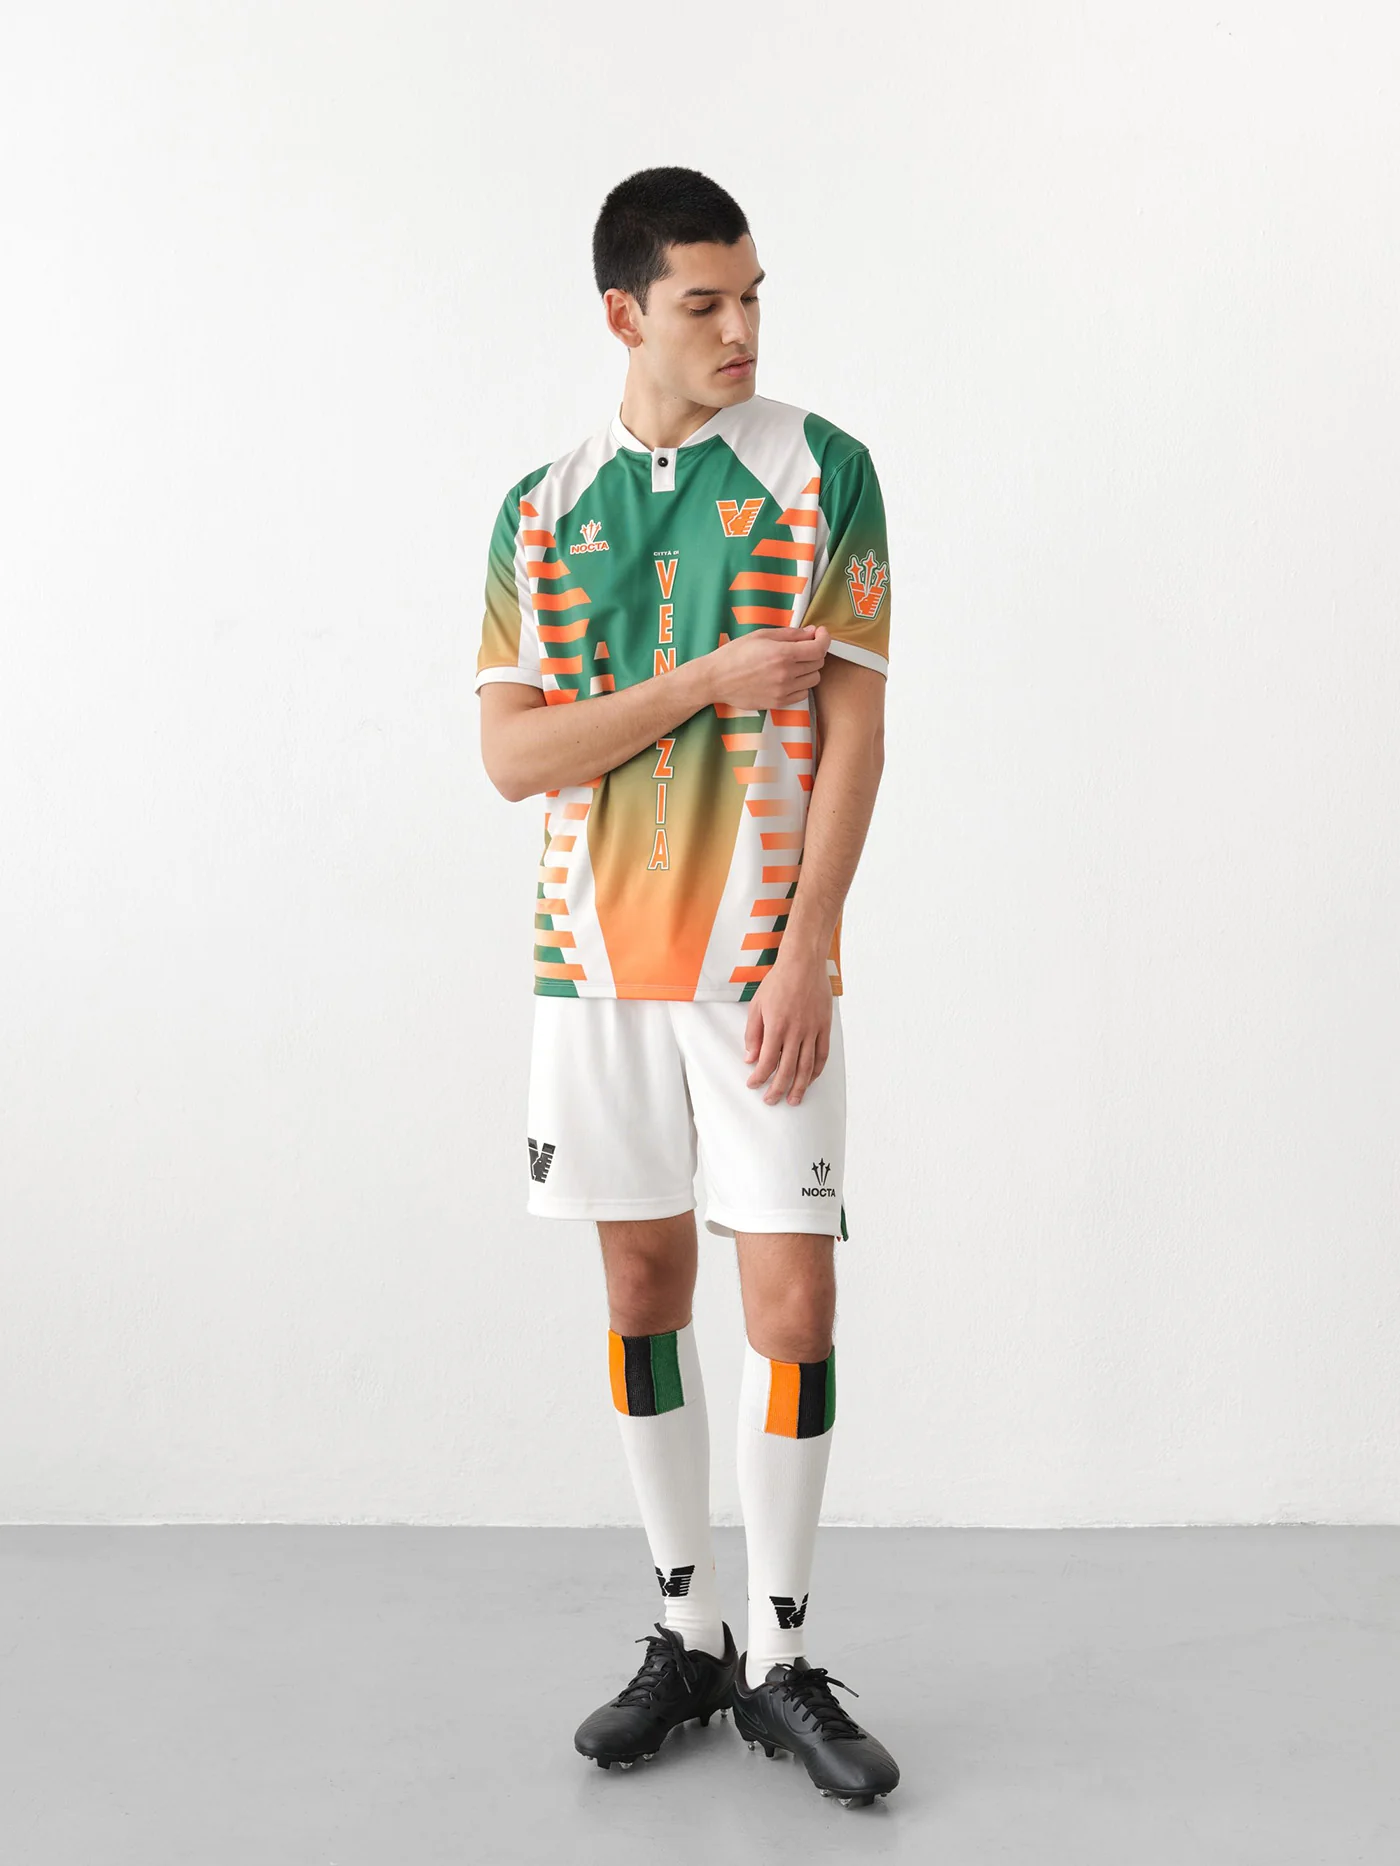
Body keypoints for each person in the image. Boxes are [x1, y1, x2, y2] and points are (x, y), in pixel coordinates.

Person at [475, 166, 899, 1809]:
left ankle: (784, 1655)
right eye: (704, 302)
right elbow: (517, 757)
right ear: (624, 313)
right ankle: (690, 1631)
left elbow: (856, 732)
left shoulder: (822, 472)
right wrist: (713, 679)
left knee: (794, 1307)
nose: (741, 329)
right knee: (643, 1290)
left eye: (753, 297)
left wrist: (810, 944)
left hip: (759, 968)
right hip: (592, 971)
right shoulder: (540, 510)